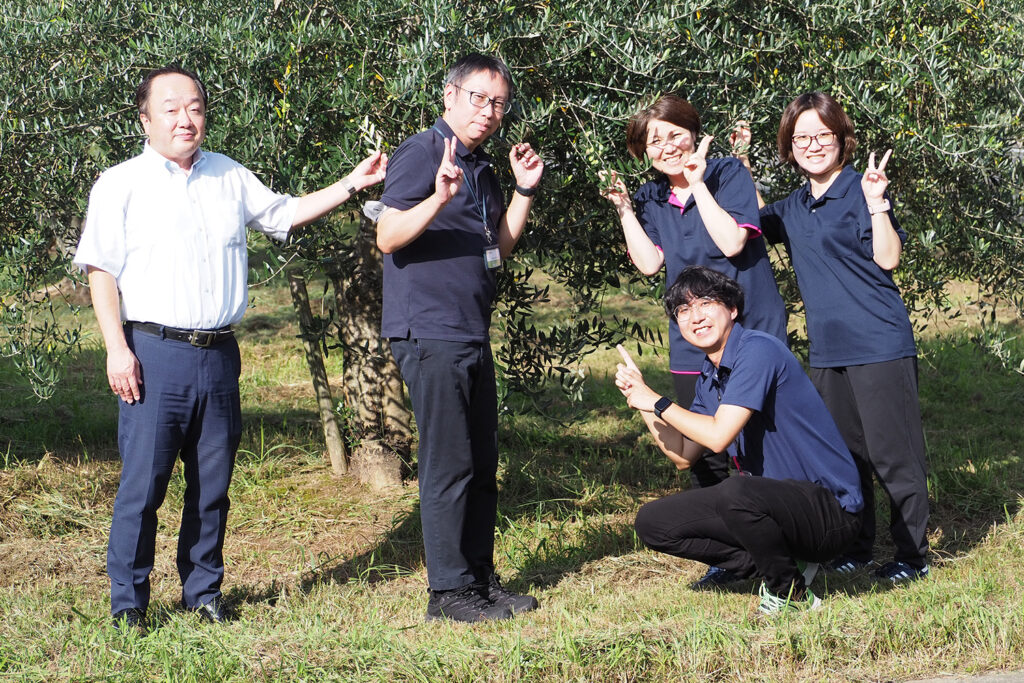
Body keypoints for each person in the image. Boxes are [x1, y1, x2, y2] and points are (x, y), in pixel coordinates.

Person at [74, 65, 388, 632]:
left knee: (212, 484)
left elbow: (284, 213)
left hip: (218, 355)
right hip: (152, 351)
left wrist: (351, 185)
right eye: (169, 108)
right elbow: (101, 272)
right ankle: (129, 603)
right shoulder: (119, 184)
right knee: (143, 487)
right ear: (144, 120)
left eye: (193, 106)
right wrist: (116, 350)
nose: (184, 118)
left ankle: (203, 592)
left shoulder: (228, 176)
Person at [732, 93, 930, 584]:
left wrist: (878, 203)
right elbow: (754, 221)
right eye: (802, 137)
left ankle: (912, 555)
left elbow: (889, 259)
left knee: (894, 456)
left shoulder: (862, 190)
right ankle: (857, 547)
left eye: (822, 134)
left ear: (842, 140)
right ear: (790, 147)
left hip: (880, 343)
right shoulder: (795, 204)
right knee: (847, 456)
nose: (813, 145)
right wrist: (740, 166)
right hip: (826, 350)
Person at [375, 53, 544, 623]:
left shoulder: (484, 168)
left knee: (479, 458)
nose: (490, 111)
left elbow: (498, 246)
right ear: (449, 96)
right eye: (479, 98)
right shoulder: (420, 153)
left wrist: (522, 190)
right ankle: (448, 593)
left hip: (470, 330)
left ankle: (478, 578)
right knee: (448, 462)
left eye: (499, 103)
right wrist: (438, 198)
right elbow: (387, 235)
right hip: (429, 330)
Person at [599, 94, 787, 588]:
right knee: (701, 444)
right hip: (692, 336)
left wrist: (698, 183)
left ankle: (780, 542)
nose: (665, 146)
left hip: (750, 331)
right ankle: (734, 555)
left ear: (693, 130)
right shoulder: (649, 196)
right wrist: (624, 211)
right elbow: (648, 264)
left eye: (673, 133)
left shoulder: (727, 174)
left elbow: (730, 242)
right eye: (652, 140)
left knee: (762, 437)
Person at [615, 266, 863, 615]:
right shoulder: (709, 378)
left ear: (732, 309)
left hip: (828, 512)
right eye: (683, 310)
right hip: (772, 505)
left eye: (705, 303)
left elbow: (718, 436)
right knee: (653, 522)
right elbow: (685, 455)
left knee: (735, 492)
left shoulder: (757, 351)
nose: (695, 317)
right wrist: (639, 400)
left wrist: (656, 400)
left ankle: (791, 595)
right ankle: (781, 563)